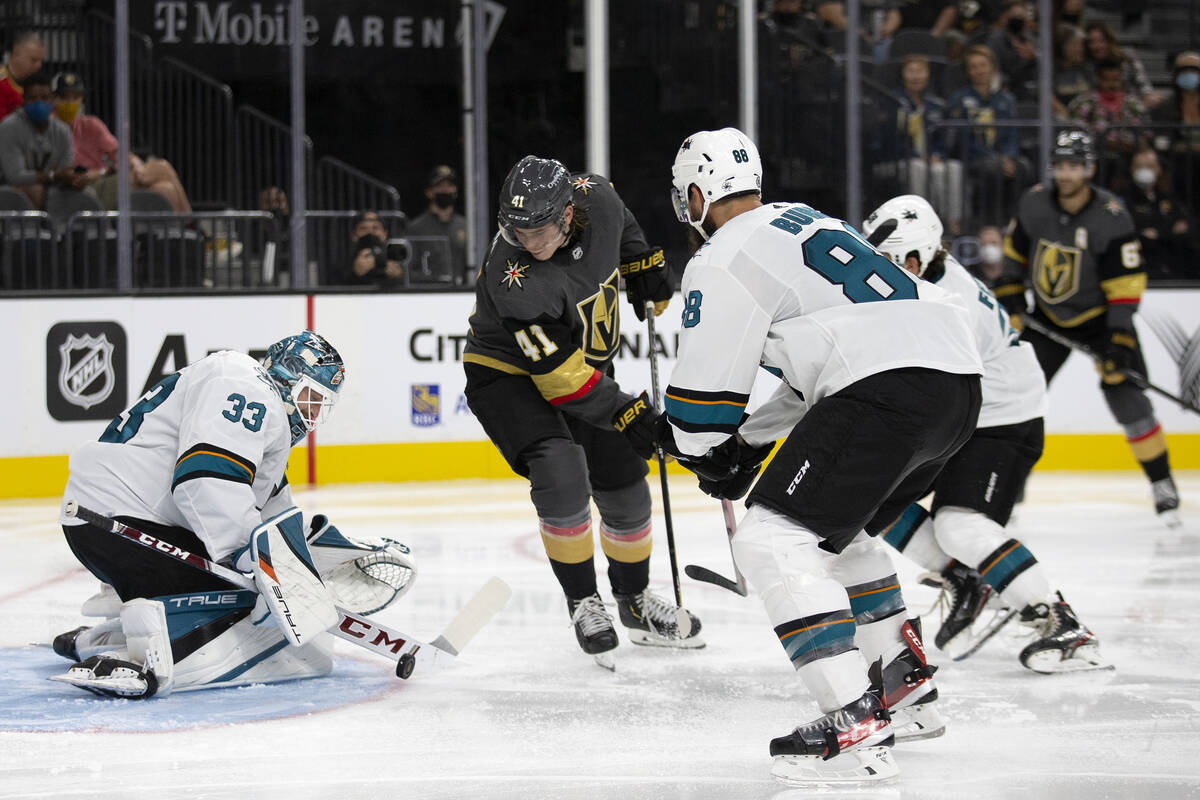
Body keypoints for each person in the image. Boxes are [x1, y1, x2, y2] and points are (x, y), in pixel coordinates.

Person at [630, 127, 983, 785]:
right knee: (834, 536)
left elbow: (704, 406)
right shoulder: (809, 223)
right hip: (955, 385)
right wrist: (744, 447)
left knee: (768, 542)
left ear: (697, 195)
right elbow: (807, 376)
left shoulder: (724, 253)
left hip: (888, 387)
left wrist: (701, 449)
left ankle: (854, 722)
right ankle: (905, 693)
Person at [50, 332, 413, 699]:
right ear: (288, 377)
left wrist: (314, 552)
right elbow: (206, 479)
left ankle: (94, 640)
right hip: (122, 525)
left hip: (113, 520)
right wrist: (255, 558)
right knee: (247, 603)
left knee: (251, 592)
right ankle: (146, 661)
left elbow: (271, 514)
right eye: (310, 398)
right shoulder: (247, 384)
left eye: (322, 406)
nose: (313, 415)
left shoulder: (257, 416)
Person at [462, 155, 699, 669]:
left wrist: (640, 262)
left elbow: (622, 222)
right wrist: (625, 412)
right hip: (507, 377)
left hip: (583, 369)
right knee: (561, 469)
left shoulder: (598, 196)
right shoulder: (513, 276)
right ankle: (583, 601)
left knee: (626, 483)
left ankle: (634, 602)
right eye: (517, 230)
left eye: (540, 229)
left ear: (569, 213)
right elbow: (558, 378)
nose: (529, 242)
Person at [863, 194, 1109, 674]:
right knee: (870, 496)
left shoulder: (950, 306)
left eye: (891, 263)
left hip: (1004, 419)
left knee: (960, 525)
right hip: (966, 414)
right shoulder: (927, 283)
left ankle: (1064, 623)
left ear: (917, 258)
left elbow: (919, 392)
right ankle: (966, 579)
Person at [995, 130, 1182, 527]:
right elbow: (1015, 255)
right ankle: (1016, 480)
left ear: (1090, 169)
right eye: (1061, 165)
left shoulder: (1111, 216)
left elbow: (1125, 286)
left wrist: (1117, 338)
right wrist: (1011, 293)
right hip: (1047, 318)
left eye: (1075, 166)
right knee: (1021, 399)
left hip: (1102, 320)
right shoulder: (1033, 203)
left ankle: (1162, 481)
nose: (1066, 174)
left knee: (1128, 400)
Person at [50, 71, 193, 213]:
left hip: (106, 180)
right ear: (53, 99)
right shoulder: (49, 128)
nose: (70, 103)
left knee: (164, 188)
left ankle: (184, 233)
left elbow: (119, 153)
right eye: (64, 98)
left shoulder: (90, 124)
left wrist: (137, 165)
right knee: (162, 167)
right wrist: (102, 171)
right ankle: (197, 228)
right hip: (84, 189)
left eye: (75, 97)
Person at [946, 44, 1030, 229]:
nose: (979, 71)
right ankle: (989, 224)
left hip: (1001, 157)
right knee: (991, 168)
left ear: (992, 67)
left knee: (1023, 167)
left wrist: (1008, 157)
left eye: (983, 65)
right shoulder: (959, 99)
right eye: (974, 67)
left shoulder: (1006, 99)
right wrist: (995, 158)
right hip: (973, 158)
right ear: (967, 71)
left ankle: (1015, 221)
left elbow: (1012, 133)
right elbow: (961, 138)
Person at [887, 54, 963, 232]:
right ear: (903, 75)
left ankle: (952, 223)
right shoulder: (892, 101)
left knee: (952, 168)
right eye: (911, 71)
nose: (915, 76)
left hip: (929, 159)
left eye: (920, 71)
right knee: (918, 167)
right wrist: (914, 155)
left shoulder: (935, 104)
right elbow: (887, 140)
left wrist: (938, 154)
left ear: (928, 75)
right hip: (899, 161)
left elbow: (942, 139)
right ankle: (919, 222)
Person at [0, 71, 86, 211]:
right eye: (33, 98)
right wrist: (54, 176)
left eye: (45, 97)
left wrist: (75, 179)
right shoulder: (9, 127)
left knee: (87, 193)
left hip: (52, 190)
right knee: (36, 190)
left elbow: (66, 169)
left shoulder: (62, 131)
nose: (39, 103)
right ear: (23, 100)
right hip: (9, 195)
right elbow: (15, 177)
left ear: (52, 99)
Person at [1123, 147, 1199, 280]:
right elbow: (1132, 231)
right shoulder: (1124, 201)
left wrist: (1158, 233)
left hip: (1174, 270)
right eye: (1139, 166)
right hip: (1143, 271)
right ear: (1131, 169)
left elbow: (1186, 227)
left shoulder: (1168, 199)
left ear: (1159, 169)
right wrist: (1168, 231)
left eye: (1149, 166)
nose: (1144, 171)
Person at [1067, 58, 1147, 158]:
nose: (1111, 85)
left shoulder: (1133, 104)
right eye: (1106, 80)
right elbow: (1077, 134)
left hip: (1130, 156)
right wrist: (1109, 143)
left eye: (1115, 79)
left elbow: (1144, 134)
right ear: (1097, 79)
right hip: (1095, 156)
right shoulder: (1083, 102)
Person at [406, 164, 469, 284]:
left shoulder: (465, 226)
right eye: (440, 186)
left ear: (456, 190)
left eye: (450, 185)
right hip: (429, 294)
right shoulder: (415, 228)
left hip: (462, 293)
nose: (445, 190)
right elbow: (408, 269)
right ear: (429, 192)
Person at [1083, 21, 1156, 107]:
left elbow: (1142, 82)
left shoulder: (1127, 57)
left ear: (1109, 40)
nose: (1097, 46)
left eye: (1101, 41)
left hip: (1129, 105)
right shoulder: (1085, 64)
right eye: (1092, 42)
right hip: (1098, 108)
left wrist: (1148, 96)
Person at [346, 210, 403, 287]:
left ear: (385, 234)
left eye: (375, 228)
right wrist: (355, 273)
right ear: (354, 235)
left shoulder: (396, 259)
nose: (370, 232)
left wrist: (398, 276)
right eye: (363, 228)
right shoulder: (344, 264)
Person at [0, 32, 45, 122]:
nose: (39, 65)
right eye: (34, 60)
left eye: (41, 61)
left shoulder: (39, 86)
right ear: (16, 54)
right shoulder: (2, 83)